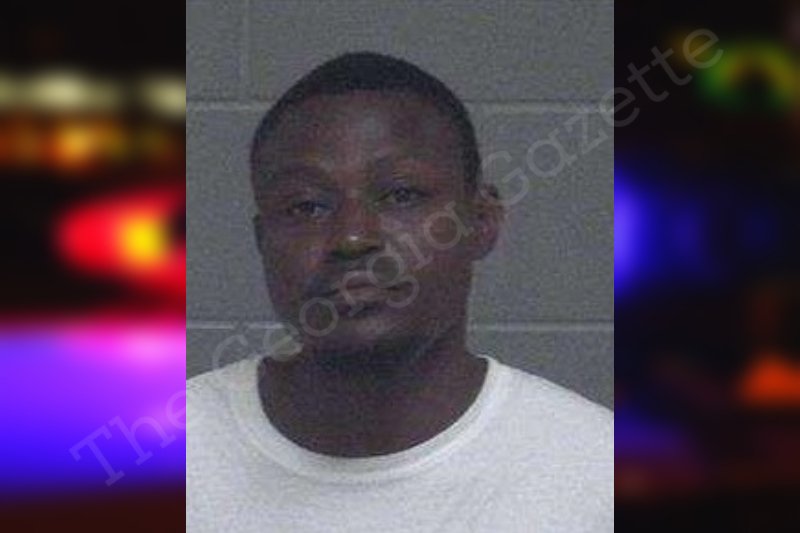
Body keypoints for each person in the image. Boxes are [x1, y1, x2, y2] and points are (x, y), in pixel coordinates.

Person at [187, 52, 613, 532]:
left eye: (401, 195)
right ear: (262, 240)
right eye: (307, 206)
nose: (353, 237)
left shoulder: (598, 475)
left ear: (481, 221)